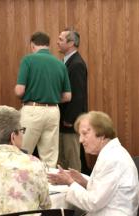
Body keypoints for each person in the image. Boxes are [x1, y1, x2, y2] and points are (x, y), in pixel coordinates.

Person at [48, 111, 139, 216]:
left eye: (85, 134)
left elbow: (93, 202)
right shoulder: (112, 153)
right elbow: (106, 188)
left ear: (102, 134)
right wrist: (82, 181)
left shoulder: (111, 159)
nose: (80, 140)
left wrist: (70, 182)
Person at [15, 31, 72, 168]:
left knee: (23, 153)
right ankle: (48, 187)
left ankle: (22, 187)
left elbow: (19, 90)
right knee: (50, 158)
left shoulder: (28, 60)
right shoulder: (60, 64)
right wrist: (50, 96)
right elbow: (67, 96)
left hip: (32, 110)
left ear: (33, 45)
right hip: (53, 111)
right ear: (48, 45)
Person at [56, 28, 88, 172]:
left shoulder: (77, 64)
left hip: (70, 121)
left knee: (72, 158)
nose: (57, 42)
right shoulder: (66, 62)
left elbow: (78, 95)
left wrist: (70, 119)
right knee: (62, 157)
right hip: (63, 119)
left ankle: (76, 189)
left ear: (71, 43)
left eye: (61, 39)